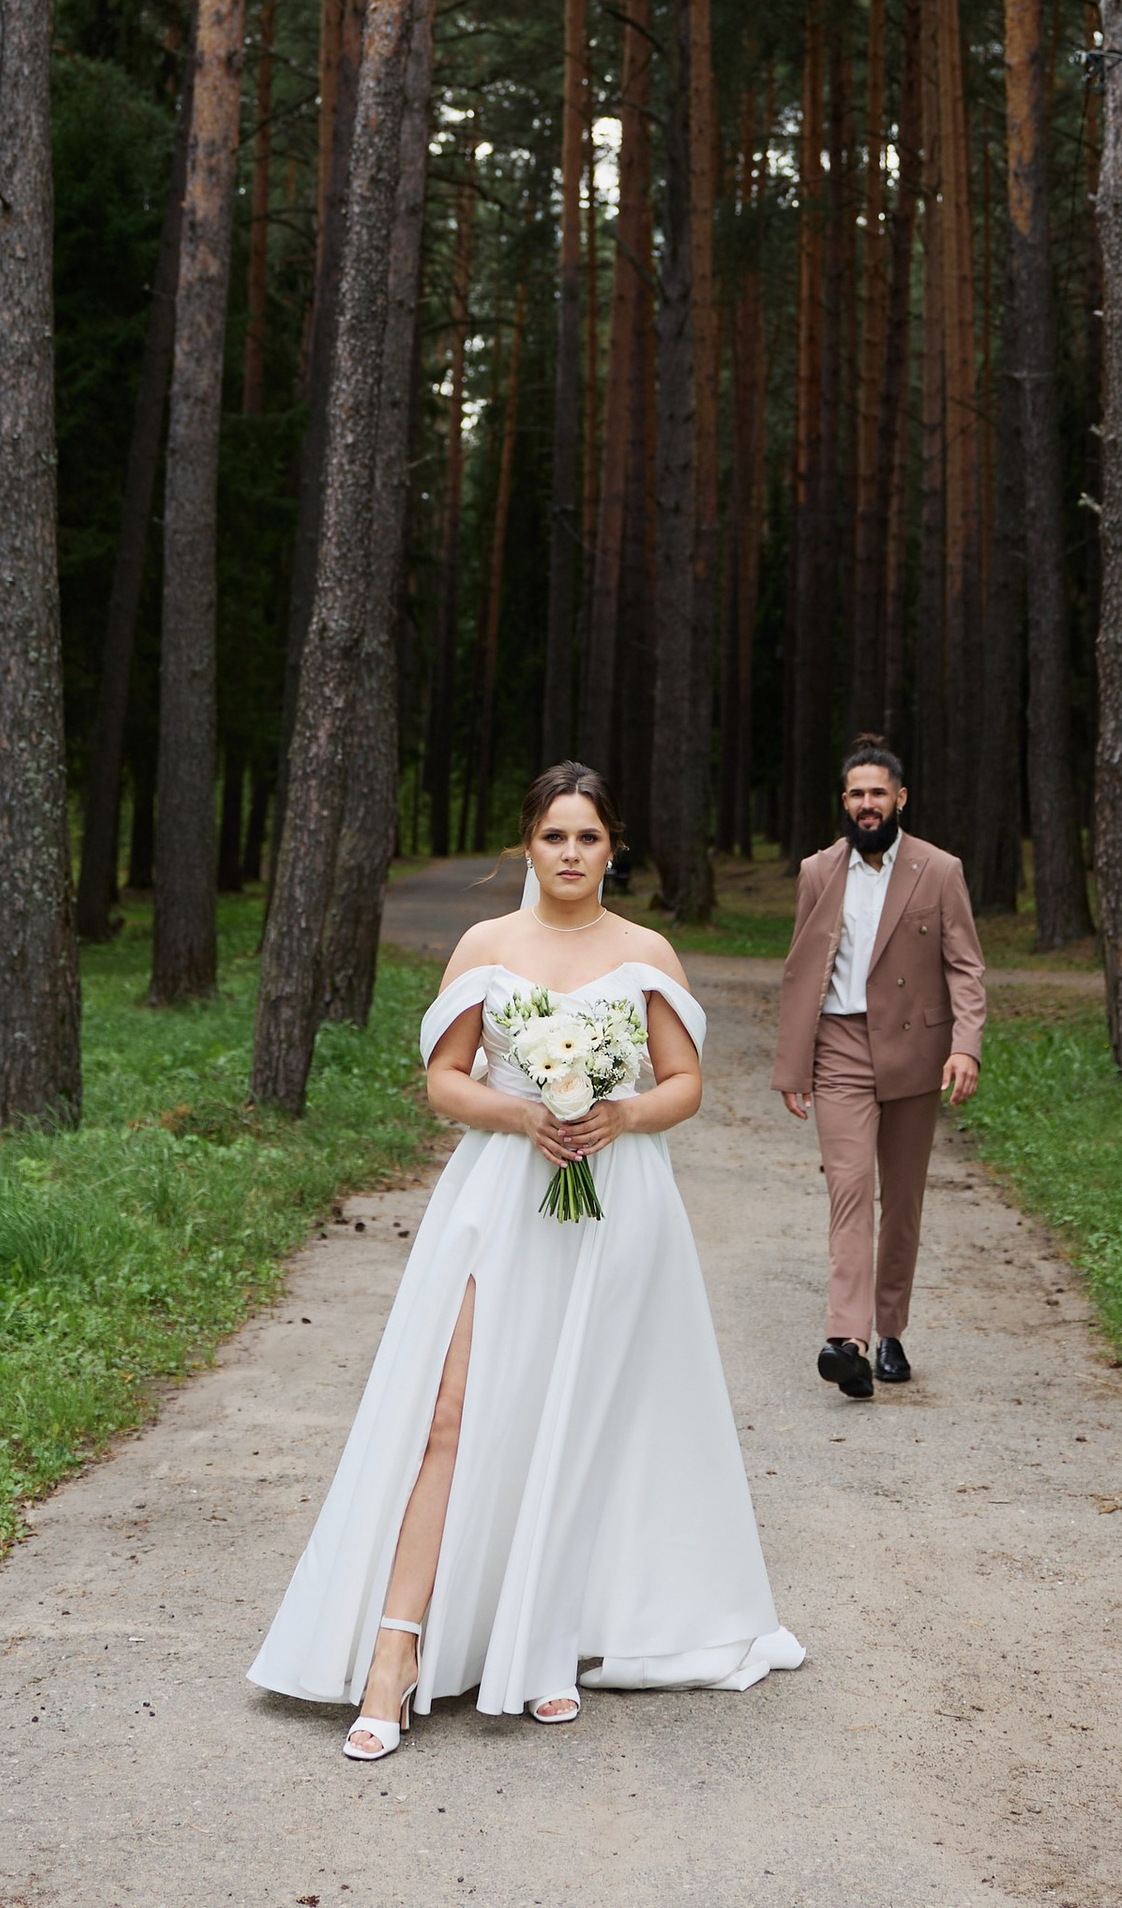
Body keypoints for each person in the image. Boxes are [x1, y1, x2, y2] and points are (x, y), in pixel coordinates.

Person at [249, 761, 803, 1758]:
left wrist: (617, 1111)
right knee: (450, 1414)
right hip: (501, 1198)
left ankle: (543, 1641)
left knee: (579, 1417)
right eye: (555, 836)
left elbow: (682, 1082)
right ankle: (394, 1650)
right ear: (528, 844)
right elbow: (445, 1080)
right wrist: (528, 1113)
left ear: (611, 845)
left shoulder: (645, 951)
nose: (571, 854)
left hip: (616, 1205)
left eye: (588, 837)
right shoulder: (487, 943)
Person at [771, 736, 984, 1400]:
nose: (868, 804)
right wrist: (794, 1063)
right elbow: (803, 968)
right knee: (851, 1186)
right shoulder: (817, 871)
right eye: (857, 793)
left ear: (900, 797)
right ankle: (847, 1339)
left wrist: (965, 1044)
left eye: (878, 793)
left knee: (904, 1199)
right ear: (845, 801)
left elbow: (966, 966)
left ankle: (890, 1328)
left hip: (916, 1052)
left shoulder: (939, 870)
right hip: (838, 1046)